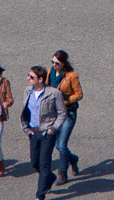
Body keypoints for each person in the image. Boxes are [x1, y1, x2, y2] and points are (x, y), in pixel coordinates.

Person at [20, 65, 67, 200]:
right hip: (33, 133)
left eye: (31, 77)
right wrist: (26, 127)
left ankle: (40, 195)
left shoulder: (53, 93)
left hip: (47, 133)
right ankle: (50, 177)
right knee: (34, 162)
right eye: (28, 75)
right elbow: (25, 111)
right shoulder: (28, 91)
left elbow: (62, 113)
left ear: (40, 79)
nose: (28, 78)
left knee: (44, 164)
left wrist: (53, 128)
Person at [48, 50, 83, 184]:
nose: (54, 65)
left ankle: (62, 173)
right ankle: (73, 159)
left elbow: (79, 94)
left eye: (57, 63)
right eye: (52, 62)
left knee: (62, 144)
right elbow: (47, 87)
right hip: (55, 113)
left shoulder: (71, 76)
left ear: (63, 63)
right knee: (57, 144)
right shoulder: (51, 71)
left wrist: (66, 100)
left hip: (68, 113)